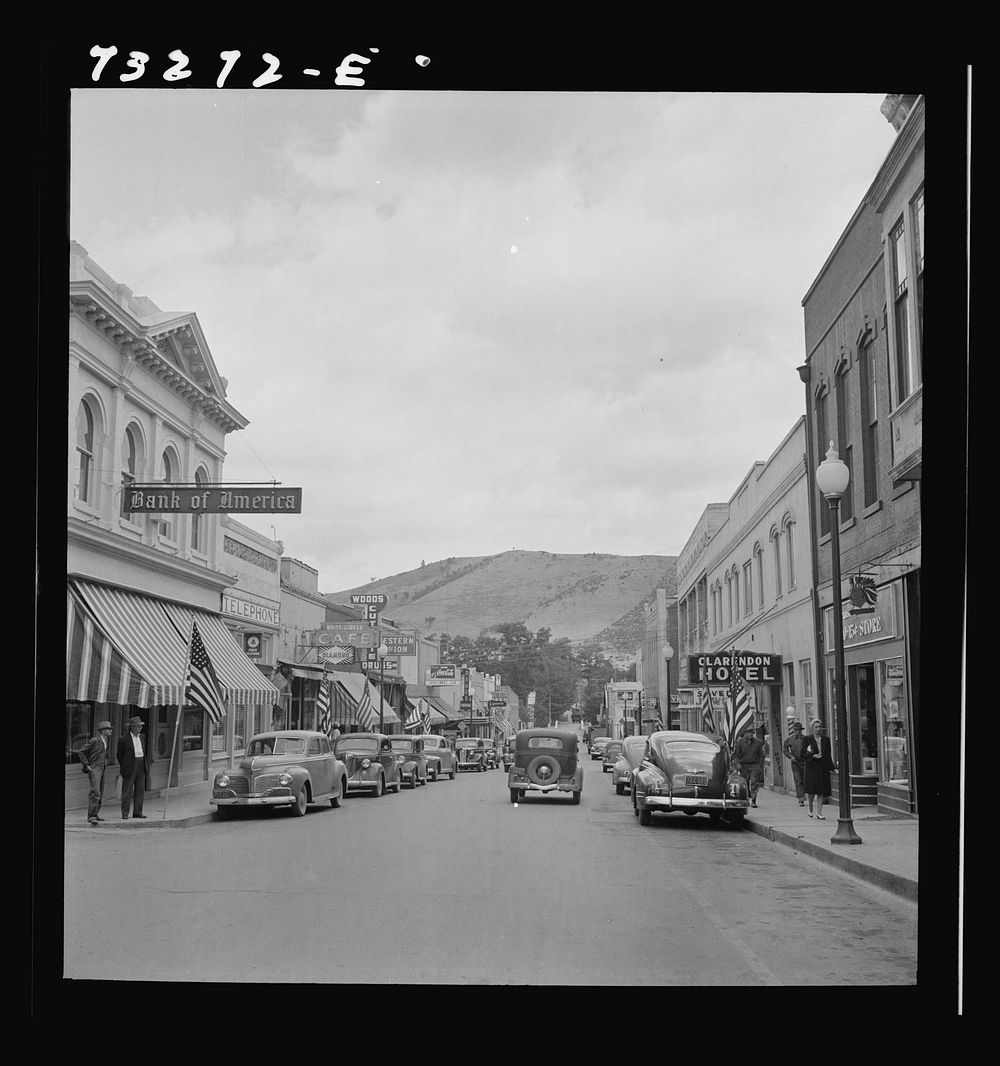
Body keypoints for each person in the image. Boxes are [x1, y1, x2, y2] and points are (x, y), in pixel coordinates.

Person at [116, 715, 152, 820]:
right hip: (130, 765)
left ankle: (138, 812)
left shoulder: (142, 737)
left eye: (140, 726)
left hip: (141, 763)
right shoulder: (124, 739)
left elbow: (145, 751)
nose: (140, 728)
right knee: (127, 791)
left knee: (140, 790)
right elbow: (119, 755)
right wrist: (124, 765)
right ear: (132, 727)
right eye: (138, 726)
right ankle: (125, 813)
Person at [78, 720, 113, 824]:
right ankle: (91, 816)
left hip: (102, 768)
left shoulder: (104, 741)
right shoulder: (95, 740)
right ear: (103, 730)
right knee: (95, 792)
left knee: (100, 792)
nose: (110, 731)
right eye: (108, 729)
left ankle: (95, 813)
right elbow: (81, 751)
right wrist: (87, 764)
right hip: (95, 768)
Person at [801, 719, 835, 819]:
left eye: (819, 727)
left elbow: (828, 754)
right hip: (812, 767)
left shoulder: (826, 739)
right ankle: (810, 808)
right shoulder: (807, 739)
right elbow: (803, 754)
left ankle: (819, 812)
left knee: (821, 790)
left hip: (822, 767)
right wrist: (812, 756)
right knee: (812, 791)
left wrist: (832, 767)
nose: (818, 729)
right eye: (816, 727)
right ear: (812, 728)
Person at [734, 726, 765, 807]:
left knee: (754, 782)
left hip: (755, 765)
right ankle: (747, 798)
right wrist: (737, 764)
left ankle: (754, 800)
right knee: (745, 783)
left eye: (751, 733)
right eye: (748, 733)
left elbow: (761, 755)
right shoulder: (740, 743)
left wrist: (760, 766)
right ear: (745, 734)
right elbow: (736, 756)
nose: (750, 734)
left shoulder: (757, 743)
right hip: (744, 765)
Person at [782, 721, 807, 806]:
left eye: (798, 730)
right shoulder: (790, 739)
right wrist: (790, 756)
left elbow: (810, 748)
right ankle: (801, 798)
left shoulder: (805, 739)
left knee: (804, 779)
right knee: (798, 780)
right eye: (795, 730)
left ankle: (803, 794)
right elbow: (785, 749)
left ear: (801, 730)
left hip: (804, 761)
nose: (796, 731)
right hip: (795, 762)